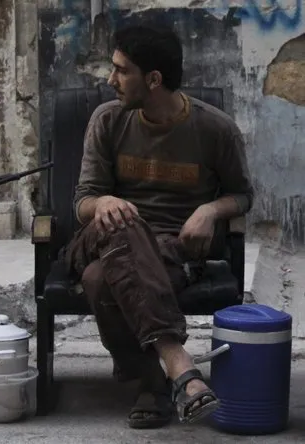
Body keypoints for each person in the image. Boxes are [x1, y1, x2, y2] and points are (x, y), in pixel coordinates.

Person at [61, 25, 253, 428]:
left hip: (171, 250)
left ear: (153, 79)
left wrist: (211, 210)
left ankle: (152, 384)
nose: (110, 80)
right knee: (123, 224)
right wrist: (105, 202)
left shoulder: (214, 129)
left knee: (101, 279)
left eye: (121, 71)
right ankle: (178, 364)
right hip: (97, 237)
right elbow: (82, 203)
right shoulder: (108, 119)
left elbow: (242, 194)